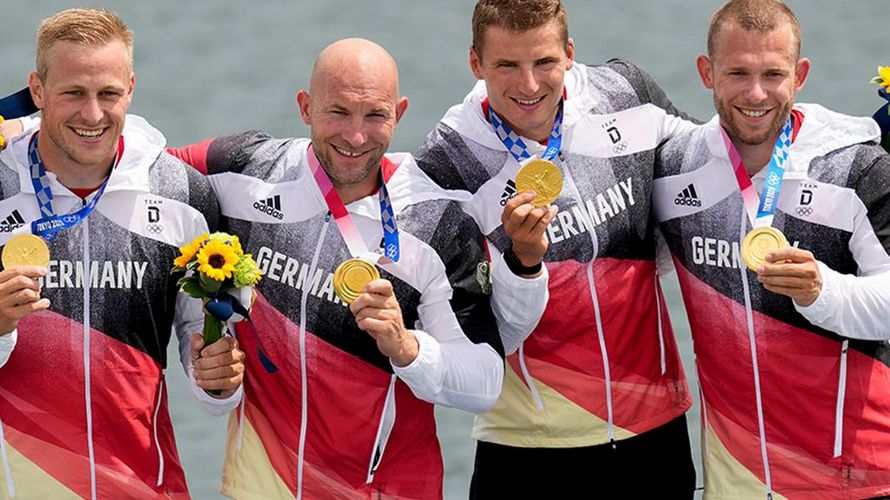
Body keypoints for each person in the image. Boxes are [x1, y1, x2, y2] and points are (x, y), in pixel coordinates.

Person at [161, 38, 549, 499]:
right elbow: (133, 166)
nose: (356, 137)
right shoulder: (244, 168)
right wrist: (205, 369)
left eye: (375, 116)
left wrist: (405, 347)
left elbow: (485, 382)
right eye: (338, 112)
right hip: (259, 488)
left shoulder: (435, 222)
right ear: (305, 107)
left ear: (399, 113)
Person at [414, 0, 700, 497]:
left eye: (544, 62)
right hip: (527, 452)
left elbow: (718, 175)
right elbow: (482, 332)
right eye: (506, 65)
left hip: (653, 434)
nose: (528, 86)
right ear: (476, 63)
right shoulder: (446, 166)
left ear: (569, 53)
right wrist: (522, 262)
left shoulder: (624, 92)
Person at [0, 9, 244, 499]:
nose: (92, 115)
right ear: (38, 90)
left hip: (145, 486)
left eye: (108, 94)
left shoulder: (181, 193)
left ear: (130, 89)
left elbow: (203, 352)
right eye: (73, 92)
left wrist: (219, 379)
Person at [652, 0, 890, 498]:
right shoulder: (672, 169)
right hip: (735, 480)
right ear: (706, 71)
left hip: (853, 478)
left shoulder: (856, 169)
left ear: (800, 75)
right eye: (737, 72)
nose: (755, 93)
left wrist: (821, 291)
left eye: (773, 74)